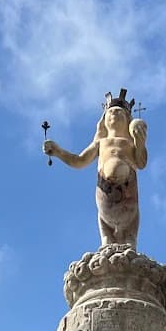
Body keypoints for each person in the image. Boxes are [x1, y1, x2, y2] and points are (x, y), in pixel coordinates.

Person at [43, 90, 148, 249]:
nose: (114, 114)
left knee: (131, 223)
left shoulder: (129, 144)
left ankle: (130, 238)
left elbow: (141, 163)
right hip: (105, 196)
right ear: (104, 120)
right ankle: (106, 237)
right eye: (110, 112)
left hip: (128, 195)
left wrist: (139, 141)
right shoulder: (100, 143)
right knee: (104, 223)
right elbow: (79, 161)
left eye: (119, 112)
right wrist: (58, 151)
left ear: (128, 119)